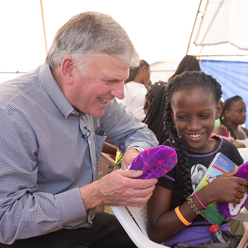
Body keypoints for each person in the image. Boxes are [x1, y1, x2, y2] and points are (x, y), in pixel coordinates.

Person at [0, 12, 159, 247]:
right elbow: (7, 220)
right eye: (109, 81)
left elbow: (139, 132)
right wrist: (95, 194)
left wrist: (135, 151)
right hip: (33, 237)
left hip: (85, 222)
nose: (121, 93)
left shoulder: (98, 101)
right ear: (69, 69)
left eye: (122, 81)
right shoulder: (12, 113)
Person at [147, 71, 247, 246]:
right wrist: (206, 195)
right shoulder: (166, 157)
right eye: (183, 117)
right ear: (172, 113)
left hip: (223, 240)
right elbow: (156, 232)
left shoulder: (228, 151)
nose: (193, 126)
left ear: (218, 110)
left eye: (203, 116)